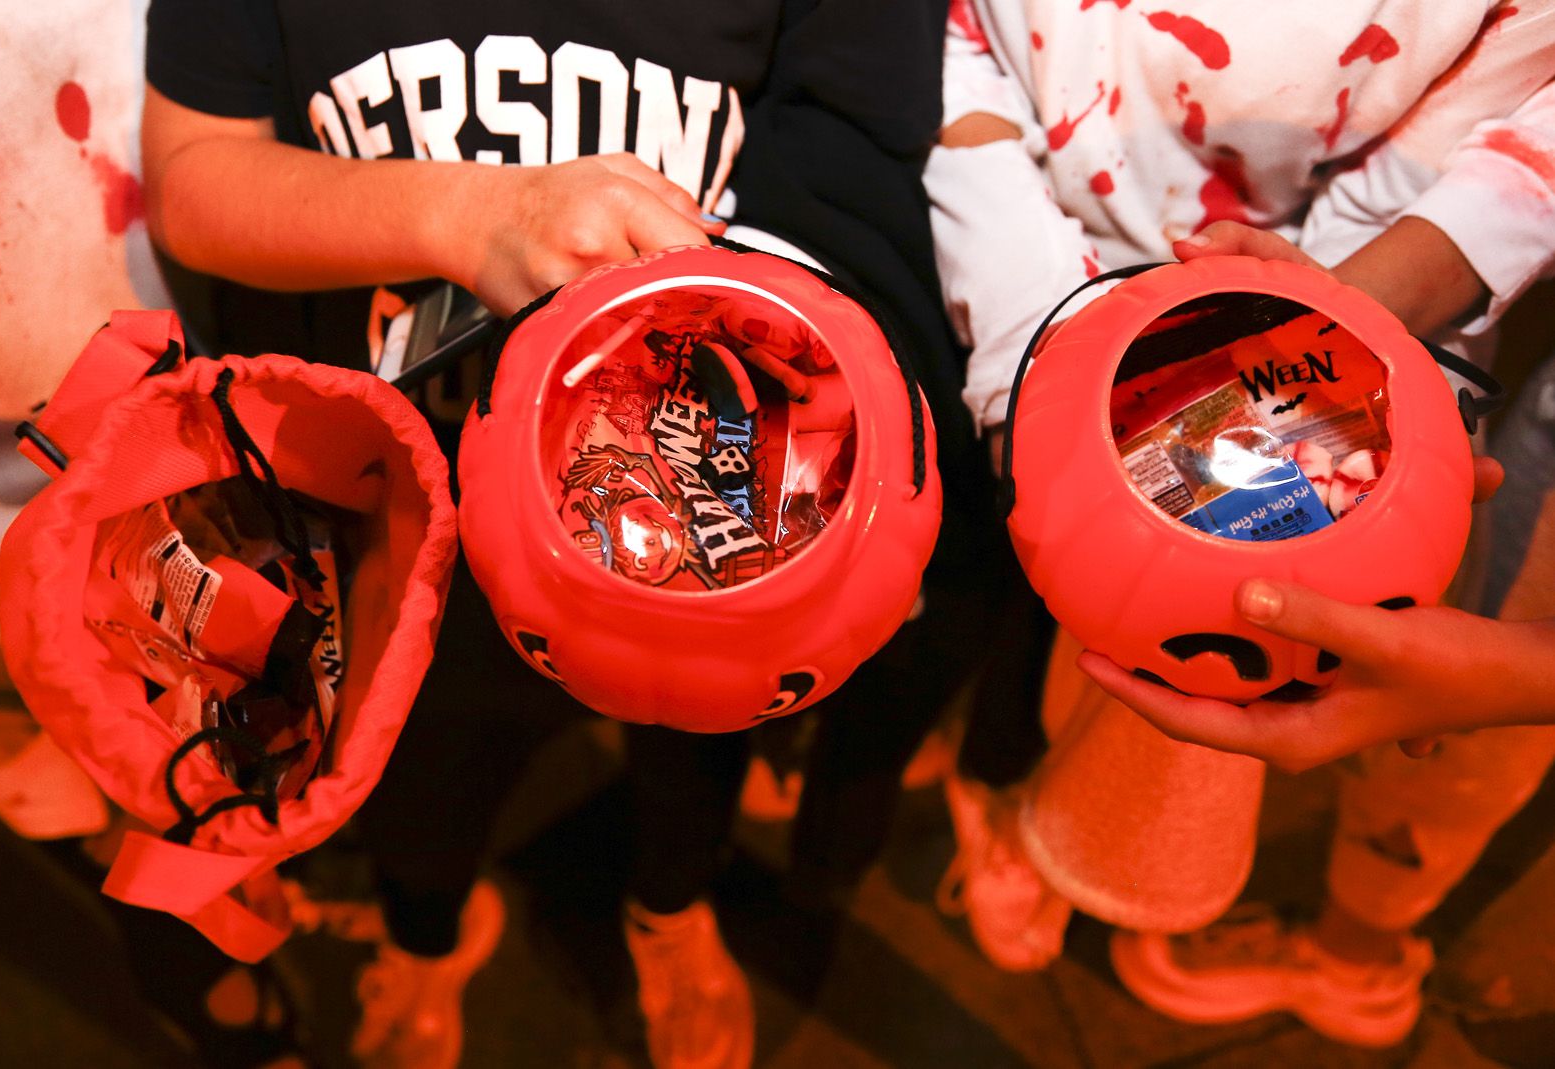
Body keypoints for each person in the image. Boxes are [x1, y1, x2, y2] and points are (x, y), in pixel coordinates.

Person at [140, 3, 983, 1067]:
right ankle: (428, 933)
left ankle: (667, 911)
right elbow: (191, 177)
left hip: (709, 487)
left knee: (693, 751)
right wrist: (462, 213)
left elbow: (858, 145)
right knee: (416, 761)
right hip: (402, 500)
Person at [924, 0, 1555, 1045]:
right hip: (1031, 282)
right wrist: (1036, 331)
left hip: (1344, 316)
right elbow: (950, 48)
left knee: (1231, 663)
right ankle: (1023, 811)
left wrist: (1327, 314)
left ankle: (1110, 859)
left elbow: (1502, 93)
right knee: (1053, 619)